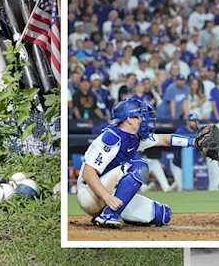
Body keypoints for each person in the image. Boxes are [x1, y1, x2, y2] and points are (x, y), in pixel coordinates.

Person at [77, 98, 190, 228]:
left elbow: (165, 139)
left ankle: (108, 213)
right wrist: (107, 197)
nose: (143, 120)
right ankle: (109, 215)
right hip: (90, 194)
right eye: (139, 116)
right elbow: (88, 173)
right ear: (129, 119)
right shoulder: (111, 137)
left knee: (163, 214)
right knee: (139, 166)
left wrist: (195, 142)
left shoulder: (135, 138)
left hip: (111, 193)